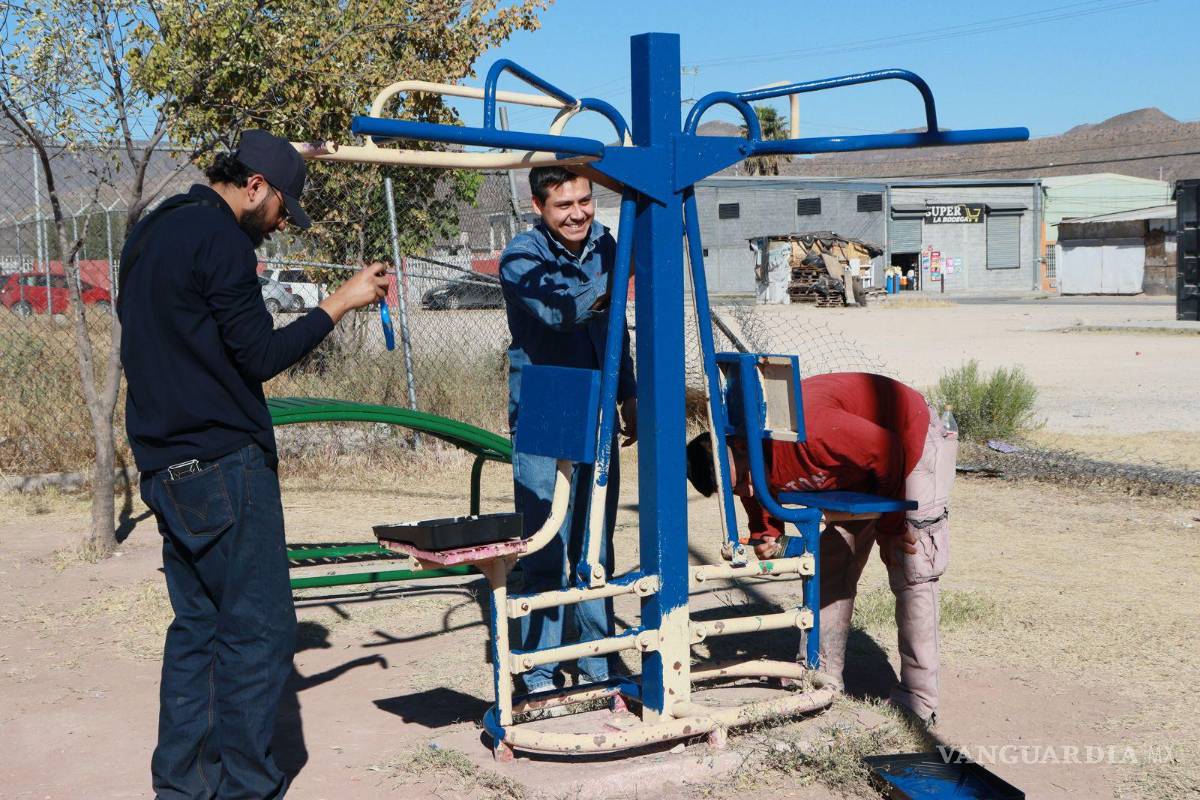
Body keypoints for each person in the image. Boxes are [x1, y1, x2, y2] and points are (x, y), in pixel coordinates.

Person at [119, 129, 390, 799]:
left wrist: (302, 155)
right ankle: (246, 789)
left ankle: (181, 788)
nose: (278, 227)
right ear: (254, 188)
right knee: (260, 634)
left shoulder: (154, 232)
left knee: (198, 632)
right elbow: (260, 356)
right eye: (280, 211)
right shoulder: (222, 242)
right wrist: (341, 302)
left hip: (165, 467)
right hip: (222, 466)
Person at [685, 372, 957, 725]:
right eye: (737, 492)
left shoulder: (810, 430)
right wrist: (766, 533)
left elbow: (887, 450)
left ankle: (919, 698)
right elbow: (756, 492)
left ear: (739, 445)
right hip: (860, 463)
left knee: (911, 567)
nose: (747, 492)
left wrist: (894, 526)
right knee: (830, 564)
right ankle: (820, 672)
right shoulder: (749, 462)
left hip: (911, 442)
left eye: (744, 481)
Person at [499, 166, 637, 695]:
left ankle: (599, 664)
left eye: (586, 200)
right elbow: (562, 312)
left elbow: (613, 325)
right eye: (564, 205)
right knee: (544, 542)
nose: (578, 213)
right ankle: (540, 672)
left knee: (596, 542)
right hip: (547, 402)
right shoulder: (521, 257)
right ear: (539, 207)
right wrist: (624, 271)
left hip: (598, 401)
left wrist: (629, 391)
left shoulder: (606, 243)